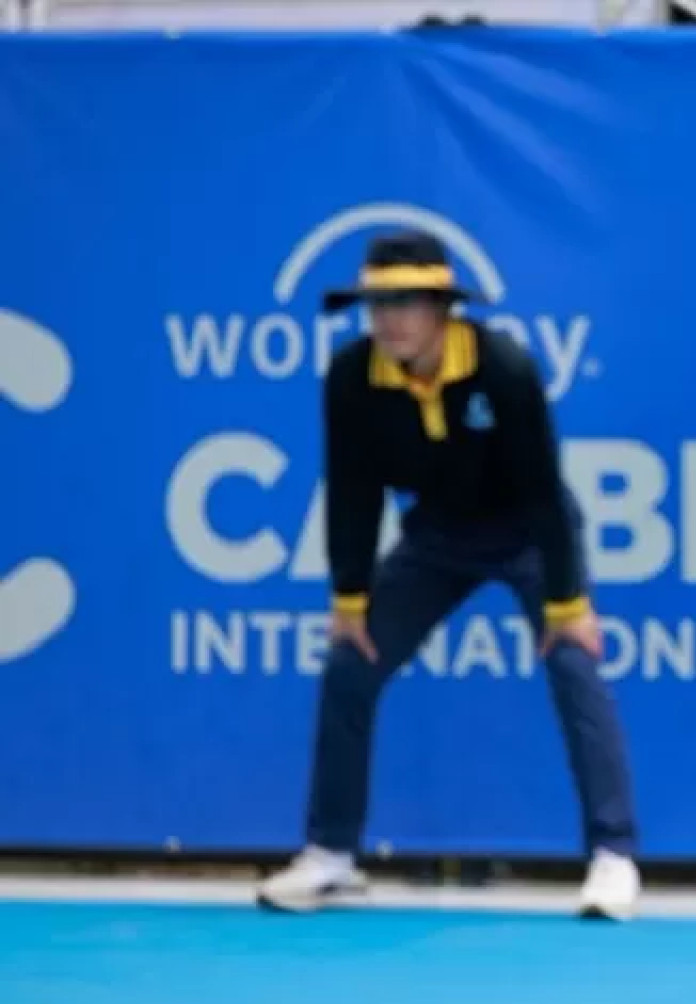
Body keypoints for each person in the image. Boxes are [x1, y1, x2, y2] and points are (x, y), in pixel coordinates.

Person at [257, 231, 643, 921]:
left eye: (408, 302)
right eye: (378, 303)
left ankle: (613, 856)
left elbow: (545, 492)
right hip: (436, 539)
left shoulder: (503, 367)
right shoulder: (351, 377)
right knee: (350, 662)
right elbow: (352, 493)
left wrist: (568, 601)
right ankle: (331, 853)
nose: (390, 318)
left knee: (574, 664)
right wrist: (349, 596)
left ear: (443, 309)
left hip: (527, 532)